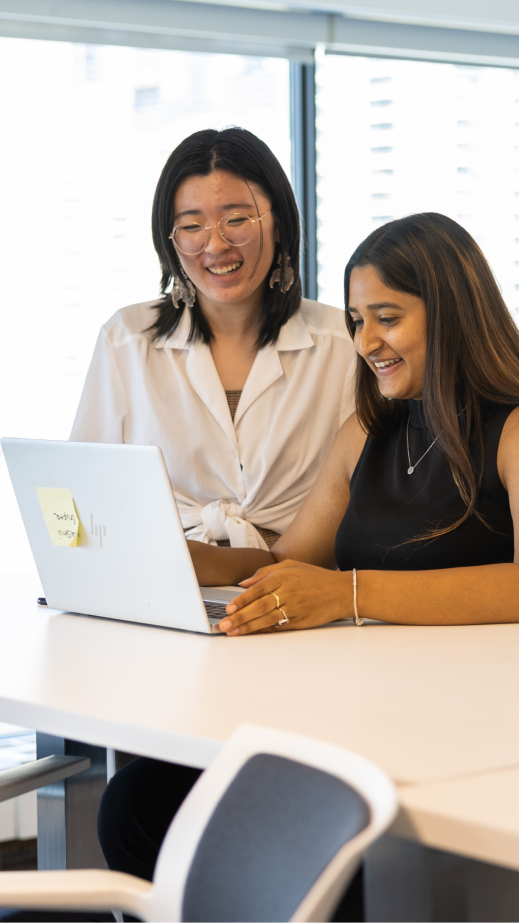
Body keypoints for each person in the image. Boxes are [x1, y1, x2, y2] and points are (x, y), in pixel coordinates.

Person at [97, 213, 519, 923]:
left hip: (462, 738)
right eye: (356, 320)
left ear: (450, 312)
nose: (364, 343)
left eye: (387, 317)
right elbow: (292, 561)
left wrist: (346, 595)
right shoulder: (369, 430)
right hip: (354, 714)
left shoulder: (509, 426)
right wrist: (188, 557)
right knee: (136, 802)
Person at [70, 128, 356, 550]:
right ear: (170, 240)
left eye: (237, 220)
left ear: (279, 224)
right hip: (162, 586)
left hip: (299, 586)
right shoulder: (126, 340)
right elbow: (81, 495)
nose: (216, 245)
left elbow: (372, 501)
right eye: (191, 226)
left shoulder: (343, 344)